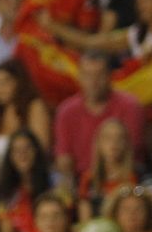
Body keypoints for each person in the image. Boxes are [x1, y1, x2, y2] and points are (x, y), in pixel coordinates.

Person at [52, 51, 145, 184]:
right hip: (81, 180)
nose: (93, 82)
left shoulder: (130, 106)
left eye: (99, 75)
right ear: (79, 77)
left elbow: (131, 154)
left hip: (124, 179)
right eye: (88, 75)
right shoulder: (66, 111)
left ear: (110, 76)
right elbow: (63, 159)